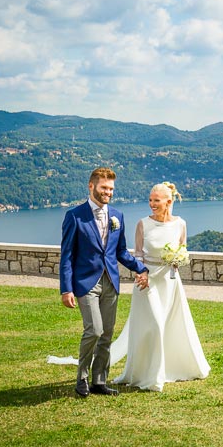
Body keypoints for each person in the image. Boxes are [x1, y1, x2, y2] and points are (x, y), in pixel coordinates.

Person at [111, 181, 210, 392]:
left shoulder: (180, 224)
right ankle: (151, 375)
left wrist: (178, 259)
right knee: (154, 324)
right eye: (150, 200)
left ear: (169, 202)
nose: (152, 204)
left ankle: (169, 369)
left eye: (156, 200)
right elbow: (137, 254)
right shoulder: (143, 224)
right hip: (147, 281)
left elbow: (183, 250)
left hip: (170, 282)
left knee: (170, 326)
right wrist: (140, 273)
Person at [57, 167, 148, 398]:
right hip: (86, 283)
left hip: (111, 282)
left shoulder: (117, 216)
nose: (108, 192)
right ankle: (82, 378)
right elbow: (66, 255)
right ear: (91, 186)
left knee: (107, 333)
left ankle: (99, 380)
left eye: (111, 189)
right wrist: (66, 288)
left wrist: (141, 268)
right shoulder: (74, 216)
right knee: (94, 330)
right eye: (104, 188)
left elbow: (120, 252)